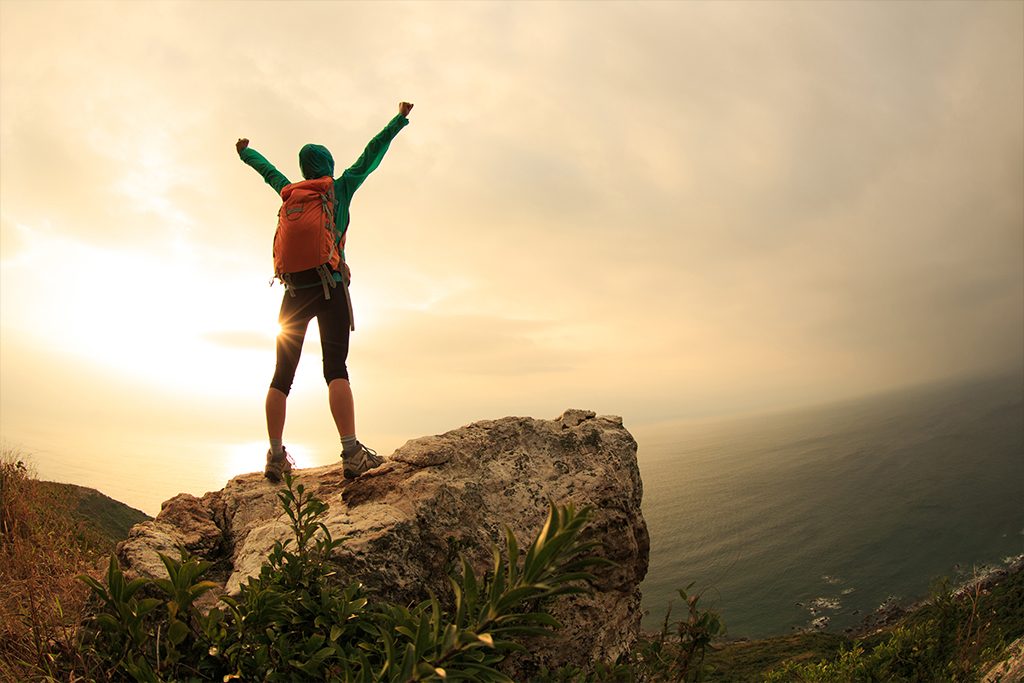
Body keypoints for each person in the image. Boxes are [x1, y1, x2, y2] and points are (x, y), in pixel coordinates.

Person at [236, 101, 414, 482]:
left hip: (294, 292)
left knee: (281, 376)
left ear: (303, 170)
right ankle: (351, 452)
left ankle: (274, 456)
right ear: (329, 166)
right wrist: (398, 119)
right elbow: (372, 152)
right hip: (330, 286)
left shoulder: (290, 192)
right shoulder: (341, 187)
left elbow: (268, 172)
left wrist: (245, 153)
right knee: (335, 369)